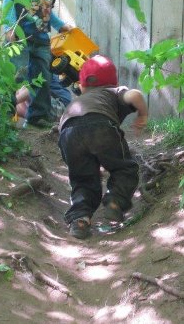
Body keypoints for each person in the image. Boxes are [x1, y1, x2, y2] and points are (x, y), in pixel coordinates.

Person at [58, 55, 148, 239]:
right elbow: (135, 95)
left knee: (83, 180)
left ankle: (80, 219)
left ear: (82, 85)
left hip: (67, 132)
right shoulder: (113, 91)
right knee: (125, 169)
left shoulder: (77, 101)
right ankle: (115, 201)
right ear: (113, 81)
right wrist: (142, 115)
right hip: (101, 126)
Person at [3, 0, 72, 127]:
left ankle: (38, 116)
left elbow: (46, 10)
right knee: (16, 75)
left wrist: (60, 26)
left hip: (41, 39)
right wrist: (9, 27)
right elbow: (8, 2)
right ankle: (6, 115)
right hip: (19, 37)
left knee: (42, 77)